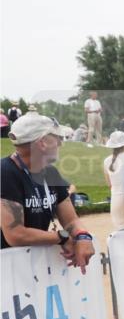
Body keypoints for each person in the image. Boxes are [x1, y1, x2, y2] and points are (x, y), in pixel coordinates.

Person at [0, 113, 96, 272]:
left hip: (31, 267)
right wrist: (61, 237)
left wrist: (83, 236)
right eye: (57, 137)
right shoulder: (5, 172)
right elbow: (16, 234)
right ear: (42, 143)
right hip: (7, 272)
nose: (60, 143)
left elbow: (71, 220)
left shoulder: (51, 173)